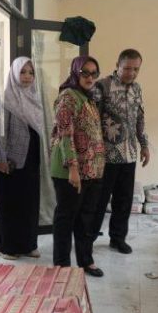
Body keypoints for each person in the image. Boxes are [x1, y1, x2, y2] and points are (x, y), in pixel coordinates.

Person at [50, 56, 105, 277]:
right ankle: (62, 265)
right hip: (69, 170)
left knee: (86, 218)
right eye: (85, 73)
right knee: (66, 217)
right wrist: (73, 168)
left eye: (94, 73)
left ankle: (85, 260)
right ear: (75, 73)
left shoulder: (88, 97)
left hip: (90, 169)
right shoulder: (68, 97)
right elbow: (65, 135)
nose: (90, 78)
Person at [92, 49, 150, 254]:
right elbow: (93, 120)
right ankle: (87, 239)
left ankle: (117, 239)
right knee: (98, 200)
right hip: (105, 156)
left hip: (129, 155)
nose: (131, 73)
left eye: (136, 69)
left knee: (124, 201)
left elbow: (140, 119)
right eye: (127, 68)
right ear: (117, 65)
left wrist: (144, 145)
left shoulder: (137, 88)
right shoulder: (103, 86)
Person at [0, 57, 44, 260]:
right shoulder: (4, 100)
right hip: (10, 160)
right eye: (22, 72)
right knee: (10, 204)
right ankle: (6, 247)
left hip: (31, 157)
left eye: (31, 72)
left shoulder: (35, 98)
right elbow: (0, 133)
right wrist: (0, 159)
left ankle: (28, 244)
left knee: (29, 203)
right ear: (14, 73)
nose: (27, 77)